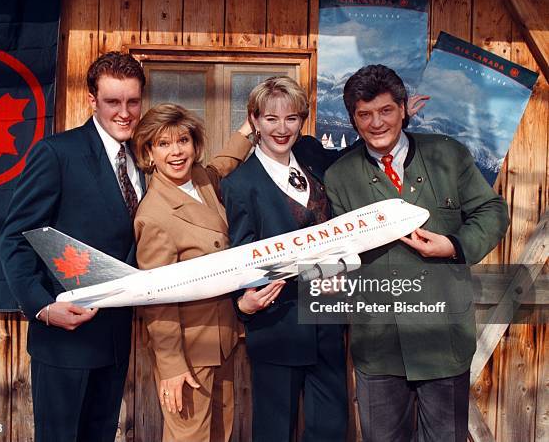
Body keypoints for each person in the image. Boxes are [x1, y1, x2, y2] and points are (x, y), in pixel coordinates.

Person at [324, 64, 509, 441]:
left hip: (443, 338)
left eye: (386, 110)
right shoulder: (340, 176)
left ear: (404, 109)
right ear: (353, 120)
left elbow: (492, 211)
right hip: (378, 345)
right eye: (365, 114)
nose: (377, 123)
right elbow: (340, 254)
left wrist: (455, 245)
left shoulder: (448, 155)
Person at [0, 52, 145, 442]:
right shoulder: (56, 154)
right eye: (113, 102)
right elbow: (16, 238)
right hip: (64, 340)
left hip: (115, 340)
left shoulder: (142, 160)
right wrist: (43, 308)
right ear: (92, 101)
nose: (124, 112)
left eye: (132, 101)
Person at [132, 103, 283, 442]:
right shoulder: (154, 215)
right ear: (148, 152)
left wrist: (247, 131)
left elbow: (221, 166)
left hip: (223, 340)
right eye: (164, 143)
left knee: (221, 433)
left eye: (182, 140)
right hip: (187, 351)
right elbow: (156, 298)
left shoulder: (199, 179)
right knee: (190, 438)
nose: (176, 152)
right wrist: (172, 367)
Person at [221, 76, 348, 442]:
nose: (282, 128)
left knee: (330, 430)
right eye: (271, 119)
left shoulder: (315, 166)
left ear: (302, 121)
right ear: (255, 121)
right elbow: (237, 252)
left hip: (327, 323)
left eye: (291, 118)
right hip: (278, 325)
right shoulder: (239, 185)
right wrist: (242, 304)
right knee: (275, 432)